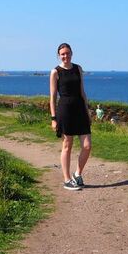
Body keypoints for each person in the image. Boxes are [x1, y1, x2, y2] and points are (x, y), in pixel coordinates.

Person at [49, 42, 92, 191]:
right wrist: (53, 118)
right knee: (67, 145)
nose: (65, 56)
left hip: (80, 109)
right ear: (59, 56)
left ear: (71, 53)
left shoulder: (78, 69)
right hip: (65, 110)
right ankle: (67, 179)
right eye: (62, 54)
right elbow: (53, 97)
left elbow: (82, 92)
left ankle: (77, 174)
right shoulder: (55, 72)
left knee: (87, 146)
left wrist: (87, 112)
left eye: (67, 53)